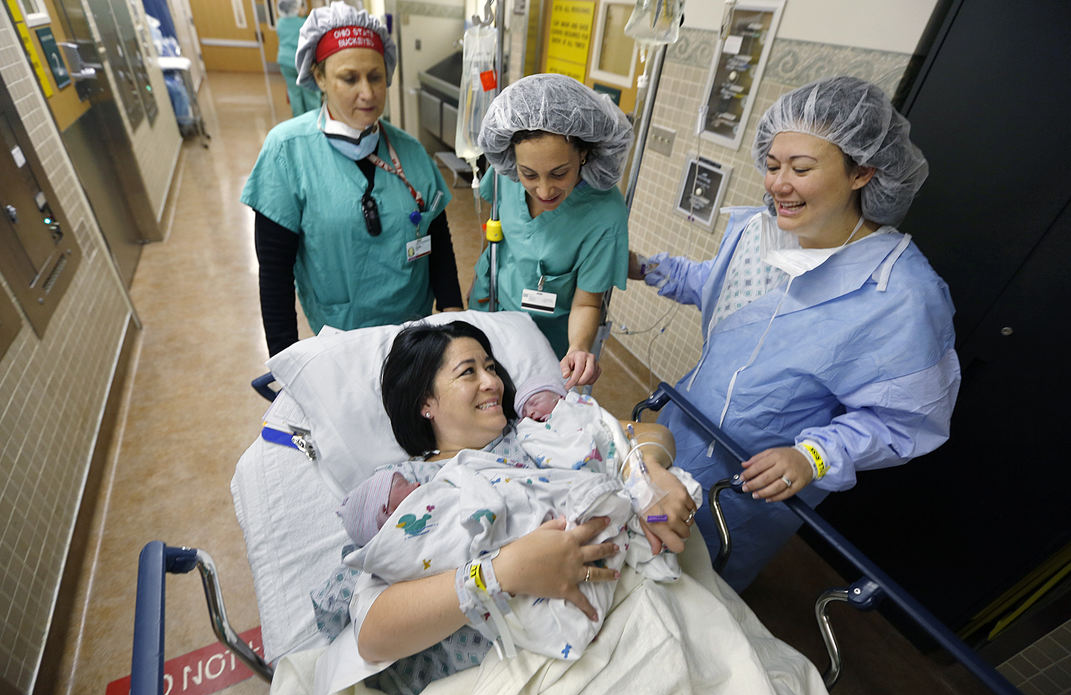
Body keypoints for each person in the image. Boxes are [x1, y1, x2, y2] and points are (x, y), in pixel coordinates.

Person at [629, 76, 961, 592]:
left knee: (690, 587)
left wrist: (813, 456)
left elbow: (905, 419)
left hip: (751, 485)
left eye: (801, 169)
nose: (778, 184)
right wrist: (645, 267)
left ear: (862, 172)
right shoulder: (761, 231)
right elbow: (723, 289)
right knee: (630, 544)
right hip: (678, 429)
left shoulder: (901, 294)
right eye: (773, 164)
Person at [330, 321, 696, 695]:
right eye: (468, 372)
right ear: (426, 403)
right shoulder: (402, 487)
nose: (492, 382)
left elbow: (645, 434)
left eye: (490, 367)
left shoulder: (537, 426)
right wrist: (503, 571)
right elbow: (373, 634)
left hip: (620, 611)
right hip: (514, 664)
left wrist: (645, 475)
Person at [242, 1, 463, 357]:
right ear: (319, 77)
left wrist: (453, 313)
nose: (368, 92)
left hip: (412, 335)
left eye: (376, 77)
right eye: (350, 78)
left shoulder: (410, 151)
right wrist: (285, 359)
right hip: (338, 338)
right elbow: (274, 271)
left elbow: (438, 238)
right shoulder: (287, 152)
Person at [469, 73, 633, 389]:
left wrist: (579, 348)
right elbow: (495, 237)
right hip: (490, 308)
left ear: (583, 154)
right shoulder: (505, 178)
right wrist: (479, 285)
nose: (543, 190)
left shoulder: (604, 213)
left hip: (550, 342)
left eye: (559, 173)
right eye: (529, 174)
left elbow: (587, 302)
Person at [275, 0, 320, 117]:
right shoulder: (304, 23)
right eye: (301, 6)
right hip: (302, 63)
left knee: (294, 93)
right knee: (310, 92)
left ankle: (299, 119)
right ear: (296, 8)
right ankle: (313, 120)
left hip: (285, 62)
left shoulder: (280, 23)